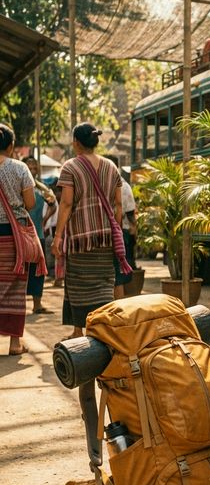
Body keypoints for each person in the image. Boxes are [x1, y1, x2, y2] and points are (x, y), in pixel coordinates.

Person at [51, 122, 130, 340]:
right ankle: (102, 329)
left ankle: (80, 331)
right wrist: (114, 232)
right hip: (105, 239)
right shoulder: (111, 167)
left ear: (76, 142)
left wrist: (57, 237)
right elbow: (118, 206)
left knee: (78, 284)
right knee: (105, 283)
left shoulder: (70, 167)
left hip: (80, 239)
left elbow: (66, 204)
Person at [0, 124, 36, 355]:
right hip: (13, 238)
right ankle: (15, 343)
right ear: (12, 145)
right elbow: (30, 203)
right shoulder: (20, 168)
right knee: (15, 287)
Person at [23, 157, 56, 313]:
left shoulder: (41, 188)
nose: (32, 170)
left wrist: (44, 220)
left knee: (38, 271)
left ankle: (37, 305)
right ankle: (18, 306)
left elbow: (53, 204)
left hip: (38, 235)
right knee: (20, 271)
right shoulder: (19, 186)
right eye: (29, 167)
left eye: (34, 167)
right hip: (21, 235)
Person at [106, 155, 137, 299]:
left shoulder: (110, 183)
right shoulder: (124, 185)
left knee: (115, 270)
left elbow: (127, 211)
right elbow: (131, 212)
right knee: (119, 269)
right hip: (121, 231)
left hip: (113, 231)